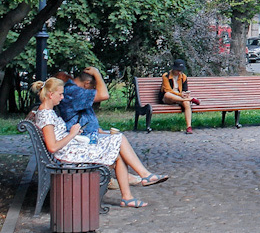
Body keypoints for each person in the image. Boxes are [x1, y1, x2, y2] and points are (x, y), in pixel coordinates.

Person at [32, 77, 168, 208]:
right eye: (60, 94)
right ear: (51, 94)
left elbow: (56, 138)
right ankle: (144, 177)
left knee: (118, 148)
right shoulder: (46, 115)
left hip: (70, 149)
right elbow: (52, 146)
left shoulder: (47, 112)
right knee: (118, 138)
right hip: (67, 155)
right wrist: (72, 134)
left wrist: (72, 134)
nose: (62, 97)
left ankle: (129, 196)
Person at [54, 66, 109, 138]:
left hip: (90, 133)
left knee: (118, 137)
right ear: (87, 83)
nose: (92, 90)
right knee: (120, 139)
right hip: (80, 136)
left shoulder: (76, 91)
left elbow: (86, 113)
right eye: (93, 87)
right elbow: (104, 95)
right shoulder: (73, 92)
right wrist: (97, 74)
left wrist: (97, 128)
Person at [161, 59, 201, 133]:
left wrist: (185, 94)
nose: (179, 72)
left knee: (186, 103)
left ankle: (189, 127)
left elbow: (185, 90)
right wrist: (181, 95)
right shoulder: (166, 76)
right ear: (174, 69)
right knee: (167, 95)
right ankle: (191, 99)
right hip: (168, 98)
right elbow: (167, 90)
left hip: (180, 98)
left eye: (181, 70)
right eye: (178, 70)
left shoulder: (183, 77)